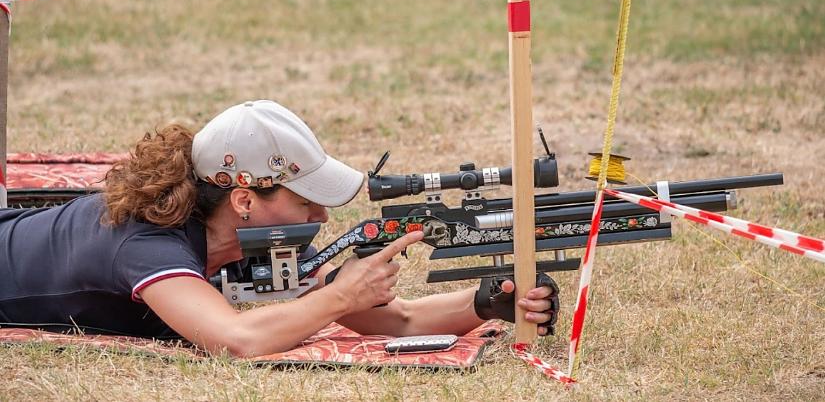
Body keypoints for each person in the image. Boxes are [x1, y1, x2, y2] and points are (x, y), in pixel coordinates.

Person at [0, 100, 559, 357]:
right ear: (244, 198)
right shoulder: (146, 246)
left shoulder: (247, 239)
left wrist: (489, 303)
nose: (320, 217)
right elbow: (237, 340)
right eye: (305, 200)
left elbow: (398, 319)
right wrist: (339, 294)